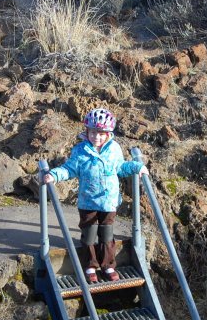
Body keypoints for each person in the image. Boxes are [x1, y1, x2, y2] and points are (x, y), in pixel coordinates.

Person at [43, 108, 148, 284]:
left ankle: (108, 265)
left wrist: (137, 167)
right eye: (93, 132)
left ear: (108, 134)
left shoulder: (114, 149)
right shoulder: (80, 150)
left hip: (108, 201)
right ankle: (90, 265)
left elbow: (121, 167)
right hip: (88, 201)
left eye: (101, 133)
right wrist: (53, 174)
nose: (96, 137)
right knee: (89, 235)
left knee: (107, 235)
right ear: (87, 132)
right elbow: (69, 169)